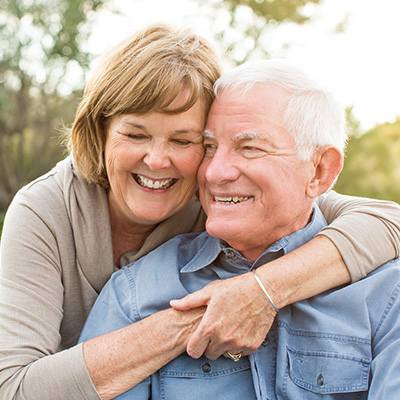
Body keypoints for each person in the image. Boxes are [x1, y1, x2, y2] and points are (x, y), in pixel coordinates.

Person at [0, 24, 399, 400]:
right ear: (100, 132)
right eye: (135, 134)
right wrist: (207, 316)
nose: (157, 161)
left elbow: (385, 221)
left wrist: (261, 291)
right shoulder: (52, 216)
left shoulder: (211, 187)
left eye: (187, 140)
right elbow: (12, 388)